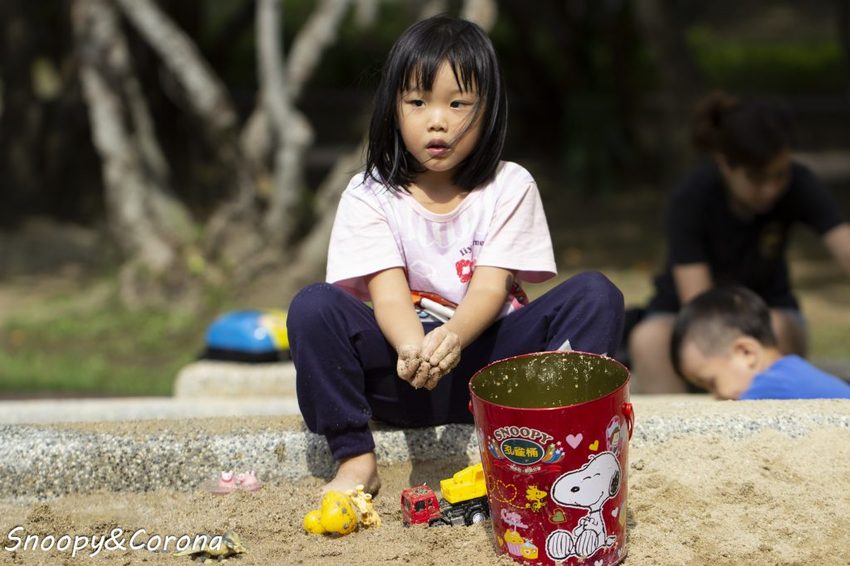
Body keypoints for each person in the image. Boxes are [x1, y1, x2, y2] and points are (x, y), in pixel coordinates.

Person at [286, 16, 624, 496]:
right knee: (312, 307)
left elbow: (489, 287)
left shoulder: (510, 185)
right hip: (403, 376)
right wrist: (411, 347)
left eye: (458, 103)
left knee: (596, 294)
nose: (437, 119)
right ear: (393, 109)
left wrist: (452, 338)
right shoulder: (368, 194)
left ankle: (563, 444)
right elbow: (389, 296)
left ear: (487, 112)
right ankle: (355, 457)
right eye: (418, 102)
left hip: (494, 365)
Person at [628, 91, 850, 393]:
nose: (772, 189)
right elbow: (700, 305)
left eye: (780, 175)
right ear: (725, 165)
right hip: (690, 313)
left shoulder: (799, 184)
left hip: (767, 309)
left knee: (778, 328)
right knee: (649, 339)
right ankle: (679, 435)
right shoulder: (692, 197)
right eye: (758, 178)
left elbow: (843, 243)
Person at [670, 286, 850, 400]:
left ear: (746, 353)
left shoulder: (767, 390)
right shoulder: (791, 374)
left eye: (712, 383)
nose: (715, 397)